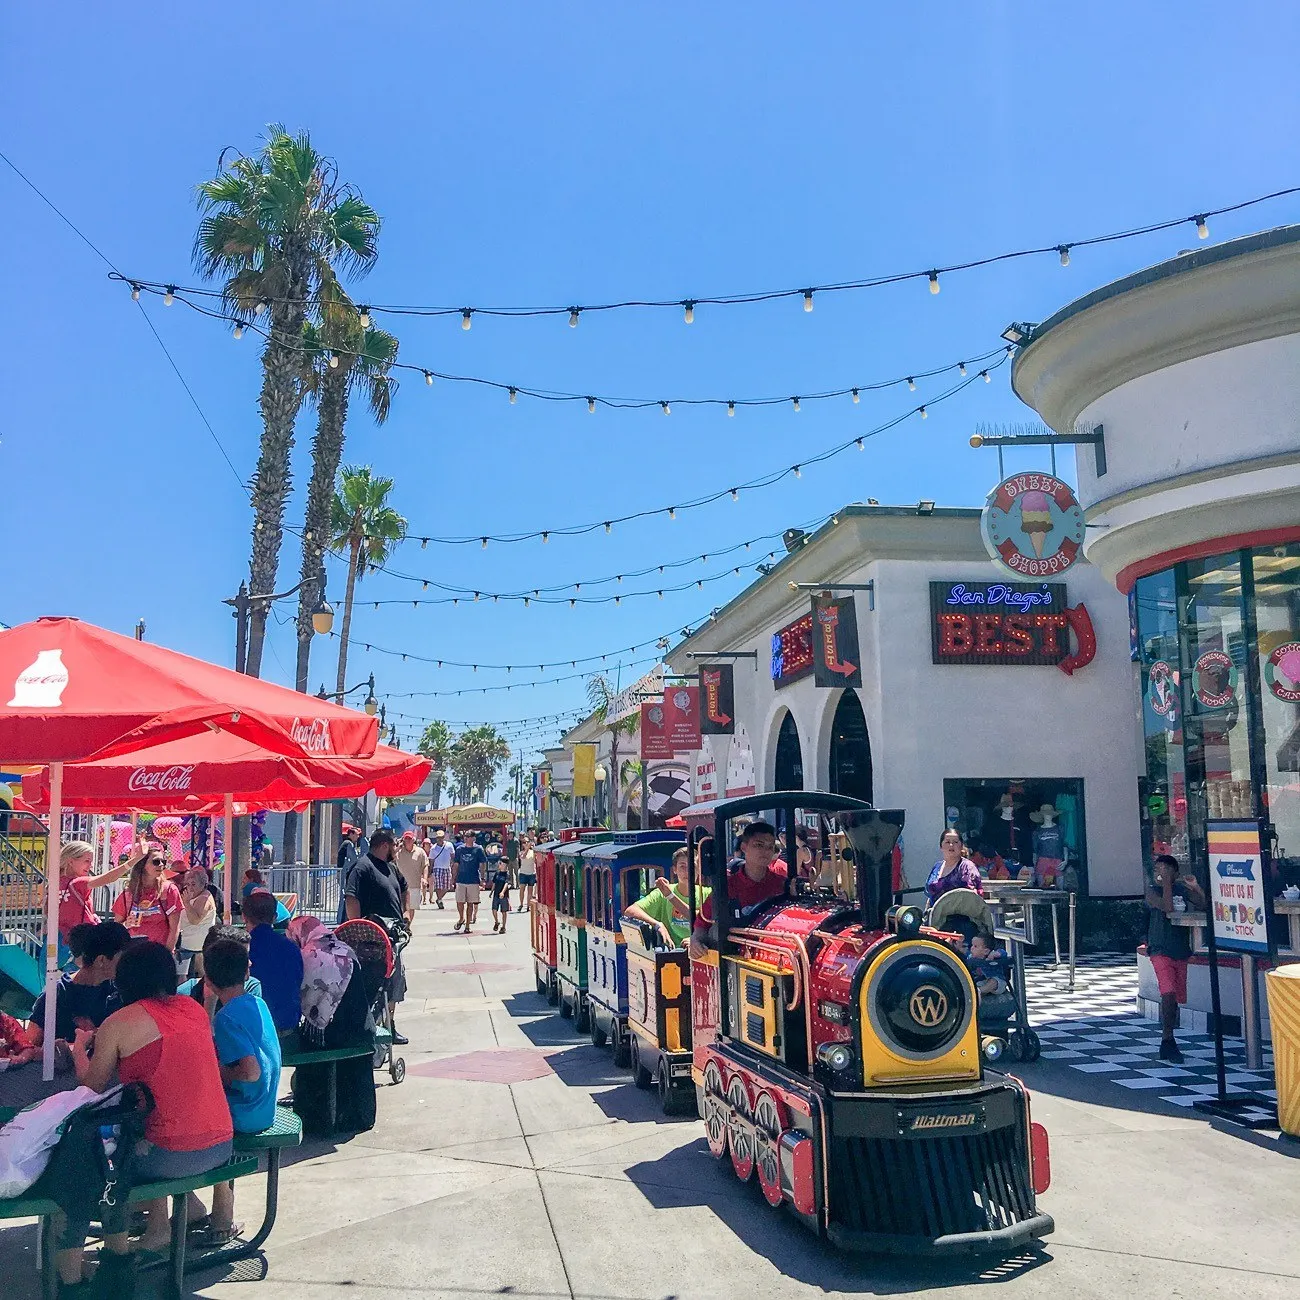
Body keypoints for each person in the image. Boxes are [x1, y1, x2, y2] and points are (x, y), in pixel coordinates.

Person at [61, 940, 232, 1282]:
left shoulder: (118, 1022)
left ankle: (84, 1263)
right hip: (219, 1146)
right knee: (149, 1124)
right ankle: (179, 1214)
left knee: (90, 1155)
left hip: (166, 1155)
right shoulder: (194, 1009)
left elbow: (89, 1090)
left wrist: (78, 1047)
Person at [197, 936, 282, 1246]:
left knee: (175, 1124)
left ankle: (219, 1217)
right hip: (264, 1105)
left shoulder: (227, 1019)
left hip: (245, 1112)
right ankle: (210, 1212)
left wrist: (218, 1072)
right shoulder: (255, 1003)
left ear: (208, 979)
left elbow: (249, 1071)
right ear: (247, 972)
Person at [286, 915, 377, 1135]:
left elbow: (304, 1002)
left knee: (307, 1047)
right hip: (361, 1028)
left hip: (329, 1033)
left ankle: (315, 1118)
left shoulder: (308, 956)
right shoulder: (345, 949)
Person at [343, 828, 409, 1044]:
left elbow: (404, 889)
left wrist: (407, 914)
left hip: (393, 939)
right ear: (384, 846)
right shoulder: (362, 867)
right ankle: (367, 1025)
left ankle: (390, 1026)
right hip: (371, 941)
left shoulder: (391, 868)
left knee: (395, 984)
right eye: (394, 846)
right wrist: (357, 928)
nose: (396, 850)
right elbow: (351, 898)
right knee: (373, 985)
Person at [689, 822, 786, 961]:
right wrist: (695, 941)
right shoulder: (727, 887)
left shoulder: (782, 884)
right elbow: (702, 924)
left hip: (775, 956)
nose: (765, 851)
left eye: (770, 847)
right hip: (736, 958)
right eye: (758, 845)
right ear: (744, 847)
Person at [27, 920, 130, 1047]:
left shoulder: (121, 991)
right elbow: (30, 1045)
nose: (127, 963)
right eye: (123, 957)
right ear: (101, 960)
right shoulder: (56, 994)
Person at [1145, 853, 1205, 1063]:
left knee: (1177, 998)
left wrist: (1195, 887)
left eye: (1165, 870)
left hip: (1179, 949)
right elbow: (1167, 907)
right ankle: (1167, 1038)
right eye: (1158, 870)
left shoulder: (1180, 889)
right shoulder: (1152, 891)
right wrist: (1167, 882)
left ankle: (1168, 1038)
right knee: (1168, 992)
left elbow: (1203, 904)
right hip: (1159, 949)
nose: (1160, 874)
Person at [55, 838, 140, 966]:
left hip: (62, 943)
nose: (91, 866)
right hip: (84, 944)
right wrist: (134, 861)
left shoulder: (54, 884)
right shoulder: (78, 882)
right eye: (87, 861)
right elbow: (110, 878)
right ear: (71, 861)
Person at [243, 889, 304, 1034]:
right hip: (288, 1022)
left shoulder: (243, 949)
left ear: (244, 917)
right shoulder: (291, 947)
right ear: (275, 917)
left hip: (256, 1025)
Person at [625, 846, 710, 948]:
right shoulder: (662, 893)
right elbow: (630, 911)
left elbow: (703, 920)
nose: (687, 871)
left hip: (701, 955)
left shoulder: (707, 894)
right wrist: (657, 924)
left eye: (692, 866)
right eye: (682, 866)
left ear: (699, 869)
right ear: (675, 870)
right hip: (672, 954)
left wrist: (695, 939)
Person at [111, 845, 184, 948]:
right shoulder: (128, 894)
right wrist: (126, 924)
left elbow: (174, 928)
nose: (161, 865)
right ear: (142, 865)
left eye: (163, 862)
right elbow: (116, 928)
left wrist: (168, 954)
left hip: (158, 953)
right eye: (156, 862)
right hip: (132, 953)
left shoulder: (169, 890)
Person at [178, 866, 219, 978]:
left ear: (203, 884)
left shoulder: (203, 898)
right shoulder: (196, 896)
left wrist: (186, 903)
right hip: (190, 942)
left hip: (193, 944)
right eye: (188, 884)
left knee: (183, 975)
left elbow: (195, 920)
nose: (190, 888)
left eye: (193, 884)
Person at [925, 829, 984, 904]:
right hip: (936, 913)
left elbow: (973, 894)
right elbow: (929, 895)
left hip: (961, 914)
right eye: (947, 842)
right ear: (941, 846)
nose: (951, 845)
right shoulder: (937, 866)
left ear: (961, 846)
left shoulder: (967, 867)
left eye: (955, 842)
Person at [452, 829, 487, 934]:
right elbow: (456, 864)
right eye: (465, 836)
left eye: (468, 836)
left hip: (473, 879)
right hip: (461, 879)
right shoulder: (459, 849)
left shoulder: (478, 849)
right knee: (460, 902)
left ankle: (467, 925)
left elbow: (482, 864)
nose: (466, 838)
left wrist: (483, 878)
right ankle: (461, 918)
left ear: (473, 838)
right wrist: (453, 877)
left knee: (470, 903)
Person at [394, 829, 428, 923]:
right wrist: (397, 848)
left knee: (412, 907)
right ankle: (403, 926)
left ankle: (408, 926)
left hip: (414, 885)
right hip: (400, 886)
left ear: (413, 840)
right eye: (406, 839)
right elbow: (389, 858)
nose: (408, 841)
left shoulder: (420, 851)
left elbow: (425, 865)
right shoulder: (399, 852)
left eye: (409, 839)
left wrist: (424, 879)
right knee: (401, 907)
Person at [427, 828, 454, 908]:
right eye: (438, 838)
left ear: (443, 837)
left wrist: (453, 866)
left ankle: (439, 898)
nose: (439, 839)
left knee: (447, 886)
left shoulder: (449, 845)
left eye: (441, 837)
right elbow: (431, 860)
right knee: (438, 886)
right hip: (437, 868)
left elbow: (453, 856)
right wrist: (430, 871)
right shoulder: (433, 848)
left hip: (447, 867)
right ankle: (440, 900)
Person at [489, 857, 511, 933]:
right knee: (494, 910)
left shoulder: (507, 874)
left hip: (503, 896)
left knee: (504, 911)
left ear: (505, 865)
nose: (499, 865)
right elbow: (494, 883)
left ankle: (503, 926)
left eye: (501, 863)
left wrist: (502, 892)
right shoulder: (497, 873)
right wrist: (491, 891)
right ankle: (496, 921)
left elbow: (506, 883)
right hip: (496, 894)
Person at [517, 835, 537, 913]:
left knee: (530, 891)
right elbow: (523, 857)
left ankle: (528, 905)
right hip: (523, 873)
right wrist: (527, 849)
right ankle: (521, 904)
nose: (526, 843)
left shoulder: (533, 852)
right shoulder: (521, 852)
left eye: (527, 842)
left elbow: (536, 860)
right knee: (522, 889)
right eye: (524, 842)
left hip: (531, 873)